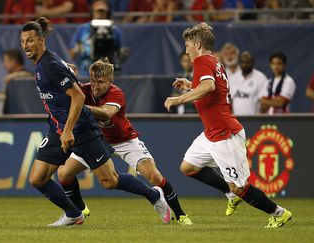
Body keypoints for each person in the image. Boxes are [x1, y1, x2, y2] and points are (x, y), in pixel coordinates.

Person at [21, 17, 170, 227]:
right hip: (58, 129)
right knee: (37, 179)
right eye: (23, 41)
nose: (25, 46)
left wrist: (69, 130)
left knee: (110, 181)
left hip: (81, 129)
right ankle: (74, 214)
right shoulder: (45, 63)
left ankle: (154, 195)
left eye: (30, 40)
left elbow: (79, 97)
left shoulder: (50, 65)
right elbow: (65, 71)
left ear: (41, 42)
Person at [164, 22, 291, 228]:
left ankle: (279, 213)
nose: (186, 50)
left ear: (197, 44)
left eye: (188, 45)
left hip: (225, 133)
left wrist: (178, 99)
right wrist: (190, 85)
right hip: (211, 133)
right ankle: (229, 192)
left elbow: (209, 86)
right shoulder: (214, 61)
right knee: (188, 167)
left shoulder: (202, 62)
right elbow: (216, 88)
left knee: (241, 187)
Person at [57, 58, 193, 225]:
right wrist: (67, 74)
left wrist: (80, 105)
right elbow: (62, 90)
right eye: (92, 80)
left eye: (100, 82)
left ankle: (180, 215)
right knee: (64, 174)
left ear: (110, 81)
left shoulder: (116, 93)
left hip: (124, 139)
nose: (95, 85)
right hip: (97, 141)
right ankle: (80, 210)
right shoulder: (84, 91)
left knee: (154, 176)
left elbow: (106, 113)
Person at [69, 0, 127, 77]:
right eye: (97, 11)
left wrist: (122, 55)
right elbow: (72, 55)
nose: (100, 14)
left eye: (103, 11)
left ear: (108, 13)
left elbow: (120, 54)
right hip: (87, 72)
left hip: (109, 73)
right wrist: (78, 48)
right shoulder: (83, 29)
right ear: (92, 12)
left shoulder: (114, 30)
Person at [230, 51, 269, 115]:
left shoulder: (261, 78)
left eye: (248, 62)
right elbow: (230, 100)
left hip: (254, 120)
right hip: (236, 119)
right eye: (243, 62)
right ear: (239, 63)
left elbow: (264, 103)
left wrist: (260, 118)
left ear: (253, 63)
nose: (245, 65)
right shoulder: (233, 78)